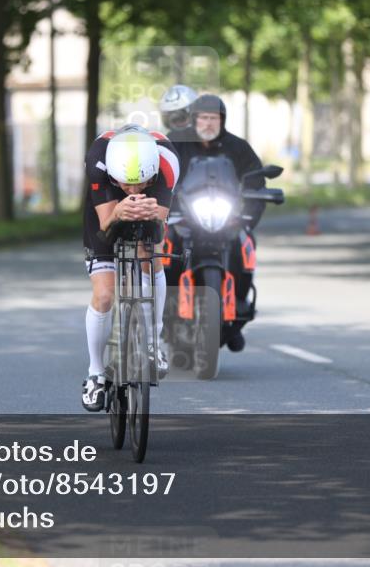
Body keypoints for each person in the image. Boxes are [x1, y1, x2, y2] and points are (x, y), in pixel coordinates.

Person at [81, 123, 180, 412]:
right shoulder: (98, 161)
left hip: (151, 214)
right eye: (126, 185)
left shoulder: (166, 162)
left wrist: (150, 216)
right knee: (104, 294)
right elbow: (104, 228)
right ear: (113, 174)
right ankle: (95, 373)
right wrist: (118, 214)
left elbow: (158, 229)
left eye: (142, 184)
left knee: (151, 253)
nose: (134, 190)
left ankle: (153, 342)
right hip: (104, 215)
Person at [166, 93, 264, 352]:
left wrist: (248, 215)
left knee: (246, 243)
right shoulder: (176, 142)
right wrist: (164, 203)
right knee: (164, 243)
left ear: (222, 121)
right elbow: (159, 172)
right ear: (193, 119)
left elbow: (255, 178)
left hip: (225, 218)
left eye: (214, 118)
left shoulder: (238, 147)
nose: (208, 124)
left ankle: (237, 311)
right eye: (203, 118)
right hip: (184, 218)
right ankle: (164, 300)